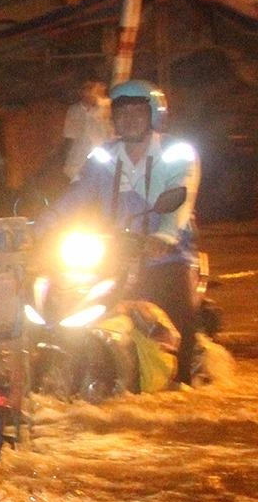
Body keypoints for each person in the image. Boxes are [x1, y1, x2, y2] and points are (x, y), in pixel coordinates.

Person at [40, 80, 201, 384]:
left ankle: (183, 380)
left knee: (179, 318)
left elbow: (181, 196)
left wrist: (164, 237)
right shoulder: (104, 155)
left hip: (165, 256)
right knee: (65, 300)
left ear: (154, 115)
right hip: (113, 252)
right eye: (122, 113)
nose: (129, 119)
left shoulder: (176, 152)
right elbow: (76, 196)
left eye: (137, 112)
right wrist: (40, 226)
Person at [61, 78, 111, 182]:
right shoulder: (74, 110)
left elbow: (110, 134)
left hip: (100, 163)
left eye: (94, 88)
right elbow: (69, 137)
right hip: (78, 161)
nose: (92, 92)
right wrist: (65, 161)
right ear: (80, 91)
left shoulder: (106, 109)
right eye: (88, 88)